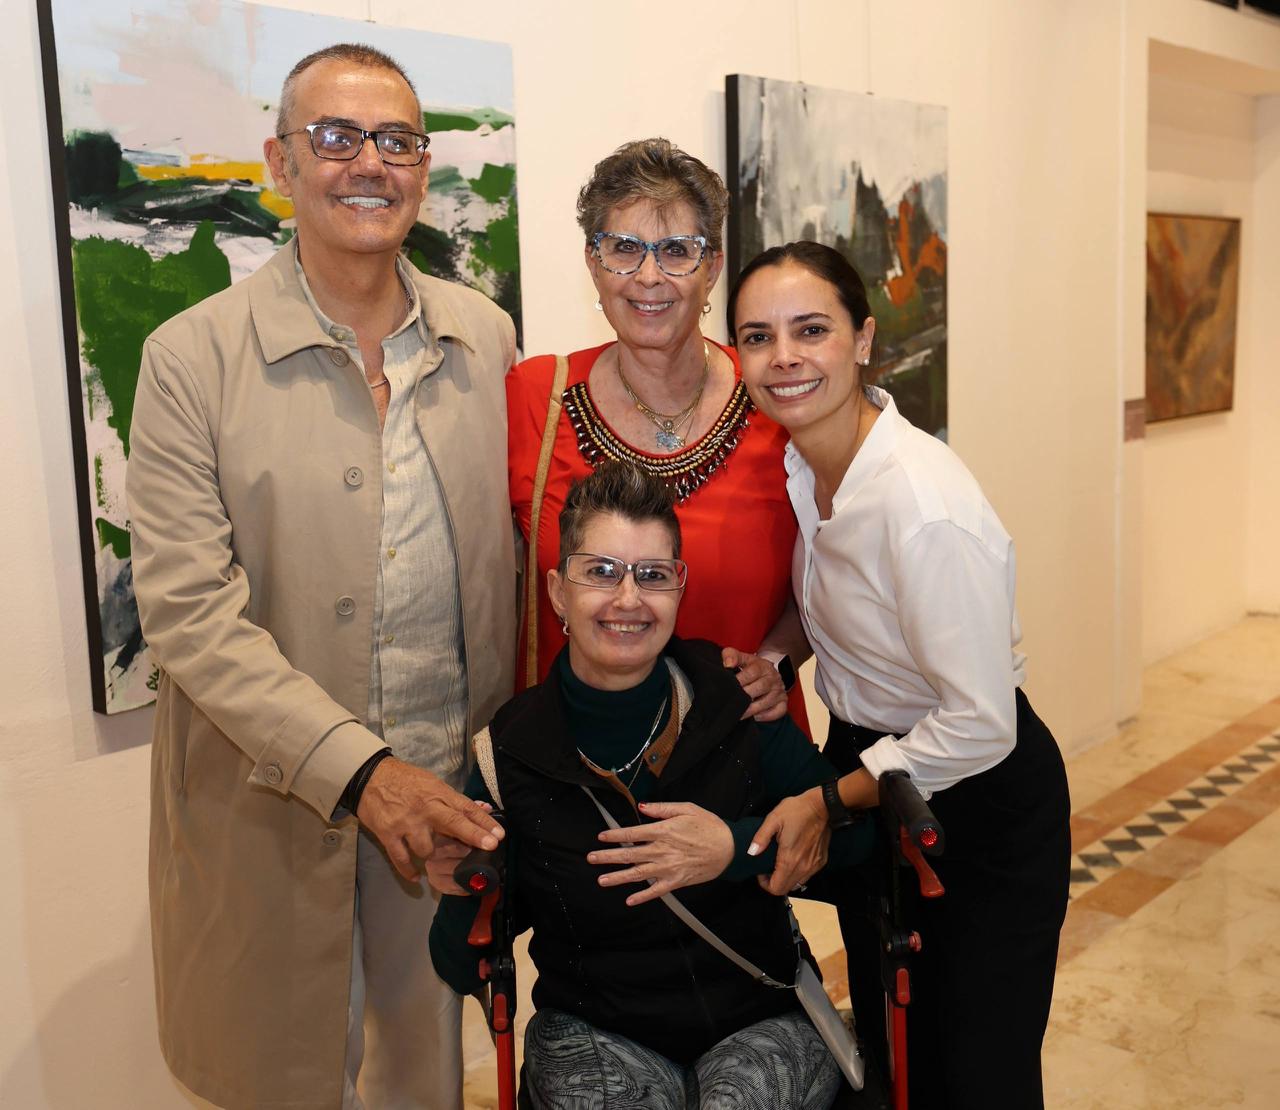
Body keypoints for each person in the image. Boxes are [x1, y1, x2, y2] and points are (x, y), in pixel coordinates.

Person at [127, 44, 516, 1110]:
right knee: (275, 1080)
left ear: (423, 166)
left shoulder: (484, 340)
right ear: (280, 162)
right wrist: (362, 772)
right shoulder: (190, 360)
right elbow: (188, 616)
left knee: (423, 1078)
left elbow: (530, 558)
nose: (368, 163)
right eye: (336, 137)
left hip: (442, 806)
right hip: (267, 810)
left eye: (396, 140)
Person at [730, 242, 1071, 1109]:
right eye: (759, 337)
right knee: (896, 1051)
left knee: (975, 1070)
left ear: (864, 338)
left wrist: (830, 799)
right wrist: (777, 658)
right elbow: (844, 604)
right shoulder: (808, 463)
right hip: (872, 768)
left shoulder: (923, 505)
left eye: (811, 330)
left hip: (972, 794)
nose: (784, 357)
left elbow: (981, 723)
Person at [428, 462, 871, 1109]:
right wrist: (461, 885)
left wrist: (735, 848)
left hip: (756, 1014)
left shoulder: (737, 701)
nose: (629, 598)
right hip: (594, 1031)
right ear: (557, 592)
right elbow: (461, 961)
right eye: (601, 571)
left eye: (653, 575)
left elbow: (858, 843)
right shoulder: (508, 753)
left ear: (679, 587)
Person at [507, 138, 808, 726]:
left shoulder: (778, 403)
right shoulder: (533, 397)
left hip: (745, 748)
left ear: (712, 268)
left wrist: (777, 662)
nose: (649, 276)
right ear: (593, 262)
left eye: (676, 251)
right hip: (576, 754)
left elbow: (831, 583)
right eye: (624, 248)